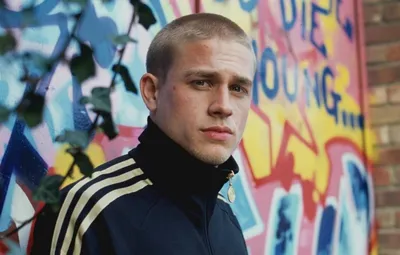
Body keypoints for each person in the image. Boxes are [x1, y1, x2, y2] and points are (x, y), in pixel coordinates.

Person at [30, 12, 256, 255]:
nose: (223, 106)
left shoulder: (226, 220)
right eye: (202, 82)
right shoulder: (91, 211)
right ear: (152, 92)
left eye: (237, 88)